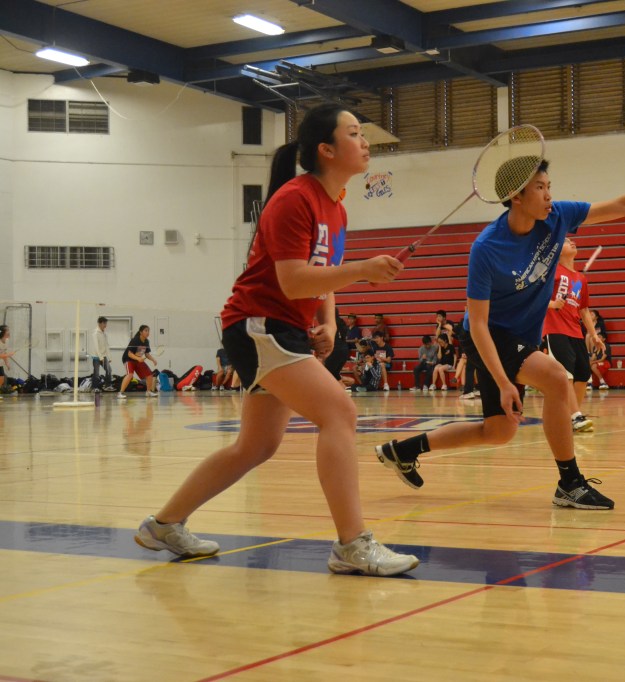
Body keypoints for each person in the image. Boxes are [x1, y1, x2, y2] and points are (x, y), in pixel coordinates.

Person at [133, 104, 417, 576]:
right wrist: (364, 271)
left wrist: (329, 321)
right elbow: (292, 280)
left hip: (284, 329)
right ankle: (352, 544)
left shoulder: (336, 207)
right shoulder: (294, 199)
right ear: (326, 149)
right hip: (258, 326)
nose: (365, 142)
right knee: (340, 413)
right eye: (354, 133)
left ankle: (163, 525)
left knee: (256, 446)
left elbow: (322, 275)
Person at [374, 157, 625, 507]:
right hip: (488, 334)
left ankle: (402, 450)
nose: (548, 195)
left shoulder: (557, 216)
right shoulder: (487, 248)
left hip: (520, 336)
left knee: (498, 431)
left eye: (549, 187)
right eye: (539, 188)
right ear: (516, 196)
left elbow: (624, 206)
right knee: (557, 378)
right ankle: (570, 484)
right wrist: (503, 381)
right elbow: (478, 323)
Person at [542, 237, 603, 433]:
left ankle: (571, 415)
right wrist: (552, 304)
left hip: (575, 331)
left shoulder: (579, 279)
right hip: (555, 329)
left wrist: (594, 335)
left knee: (583, 373)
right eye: (567, 241)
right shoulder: (552, 271)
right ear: (558, 250)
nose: (572, 242)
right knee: (565, 374)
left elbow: (583, 309)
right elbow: (534, 296)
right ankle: (576, 416)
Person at [118, 325, 158, 398]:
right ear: (141, 332)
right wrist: (138, 358)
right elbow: (129, 354)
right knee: (130, 374)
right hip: (128, 359)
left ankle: (148, 392)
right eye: (146, 330)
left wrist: (153, 360)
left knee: (149, 375)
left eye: (148, 331)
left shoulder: (146, 341)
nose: (148, 332)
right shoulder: (135, 340)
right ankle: (120, 393)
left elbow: (147, 354)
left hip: (137, 359)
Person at [90, 316, 115, 392]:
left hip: (103, 356)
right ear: (99, 323)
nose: (105, 325)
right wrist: (100, 357)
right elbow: (96, 346)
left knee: (109, 370)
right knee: (96, 372)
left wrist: (109, 357)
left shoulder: (104, 334)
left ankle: (107, 386)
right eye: (104, 323)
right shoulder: (95, 333)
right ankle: (94, 388)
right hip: (96, 356)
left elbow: (106, 346)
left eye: (106, 323)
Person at [0, 325, 10, 397]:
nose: (9, 332)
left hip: (0, 364)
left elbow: (4, 353)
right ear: (3, 332)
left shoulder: (6, 341)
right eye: (7, 330)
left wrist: (7, 363)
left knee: (2, 378)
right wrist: (7, 355)